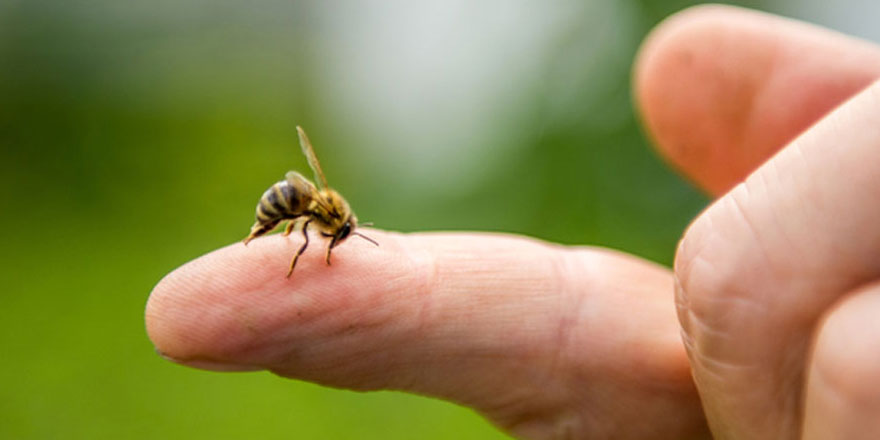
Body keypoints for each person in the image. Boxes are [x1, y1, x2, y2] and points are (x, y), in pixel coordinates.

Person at [145, 5, 880, 439]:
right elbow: (304, 217)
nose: (333, 235)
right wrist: (303, 246)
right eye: (333, 233)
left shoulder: (324, 214)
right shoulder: (315, 215)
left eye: (334, 234)